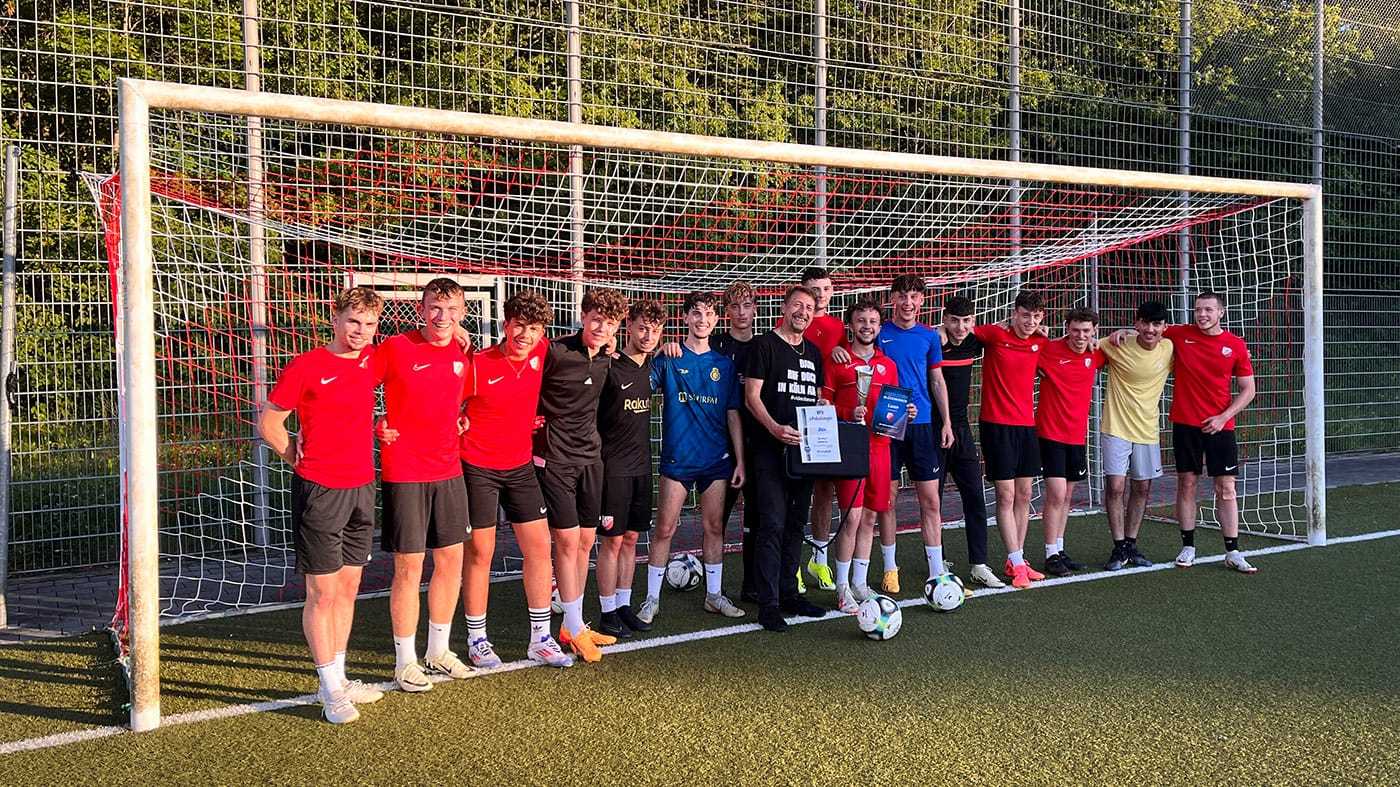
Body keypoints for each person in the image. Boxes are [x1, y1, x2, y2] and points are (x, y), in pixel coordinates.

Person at [256, 287, 386, 724]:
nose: (361, 331)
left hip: (363, 486)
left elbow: (419, 351)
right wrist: (294, 455)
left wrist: (460, 330)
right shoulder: (307, 366)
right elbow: (270, 423)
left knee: (349, 589)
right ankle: (329, 688)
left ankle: (340, 677)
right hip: (321, 490)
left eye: (369, 324)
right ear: (335, 318)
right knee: (323, 593)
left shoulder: (372, 359)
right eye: (353, 321)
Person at [458, 290, 574, 669]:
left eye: (535, 328)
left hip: (520, 464)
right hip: (477, 466)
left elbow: (582, 343)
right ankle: (477, 639)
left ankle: (540, 639)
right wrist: (457, 420)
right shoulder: (477, 365)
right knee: (481, 552)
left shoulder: (542, 352)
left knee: (540, 547)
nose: (525, 335)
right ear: (506, 325)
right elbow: (445, 400)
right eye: (519, 326)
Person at [373, 279, 474, 692]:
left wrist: (461, 417)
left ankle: (438, 650)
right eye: (435, 307)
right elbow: (359, 387)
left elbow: (459, 401)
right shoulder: (396, 347)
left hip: (449, 470)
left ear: (463, 313)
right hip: (405, 471)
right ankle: (404, 661)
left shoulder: (462, 353)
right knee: (409, 568)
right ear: (421, 307)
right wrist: (376, 423)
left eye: (451, 310)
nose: (442, 317)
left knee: (451, 561)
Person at [833, 274, 955, 594]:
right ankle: (889, 568)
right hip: (881, 432)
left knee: (930, 500)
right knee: (885, 501)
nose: (908, 303)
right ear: (893, 301)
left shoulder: (929, 337)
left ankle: (936, 570)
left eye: (914, 297)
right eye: (902, 296)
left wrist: (946, 422)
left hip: (920, 423)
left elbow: (937, 381)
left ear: (922, 301)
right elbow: (847, 349)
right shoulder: (877, 332)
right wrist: (836, 350)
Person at [638, 291, 747, 625]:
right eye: (696, 314)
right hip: (677, 459)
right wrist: (657, 350)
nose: (703, 320)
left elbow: (733, 415)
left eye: (709, 315)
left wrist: (740, 460)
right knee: (665, 529)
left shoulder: (724, 365)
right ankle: (651, 600)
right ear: (685, 318)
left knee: (715, 527)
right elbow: (639, 384)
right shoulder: (669, 358)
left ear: (717, 320)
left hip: (716, 460)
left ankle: (714, 596)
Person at [535, 287, 629, 662]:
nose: (601, 327)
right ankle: (572, 626)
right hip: (556, 459)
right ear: (583, 315)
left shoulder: (608, 358)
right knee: (567, 542)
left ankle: (574, 622)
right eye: (595, 319)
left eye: (609, 322)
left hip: (593, 458)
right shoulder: (556, 351)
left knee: (587, 541)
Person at [745, 286, 828, 632]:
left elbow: (818, 398)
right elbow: (751, 397)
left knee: (796, 524)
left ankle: (789, 591)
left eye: (809, 307)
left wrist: (823, 410)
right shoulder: (764, 346)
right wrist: (775, 428)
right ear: (784, 307)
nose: (803, 312)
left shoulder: (814, 353)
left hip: (804, 453)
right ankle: (768, 604)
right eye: (797, 305)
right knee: (772, 525)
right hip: (769, 450)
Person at [821, 299, 913, 613]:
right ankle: (842, 586)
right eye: (861, 321)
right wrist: (849, 411)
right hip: (850, 449)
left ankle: (861, 581)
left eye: (873, 321)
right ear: (850, 324)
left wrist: (906, 413)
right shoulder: (838, 361)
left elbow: (893, 409)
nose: (867, 326)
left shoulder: (888, 365)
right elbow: (823, 406)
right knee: (851, 519)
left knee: (871, 517)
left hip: (881, 449)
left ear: (879, 326)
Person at [1164, 291, 1258, 573]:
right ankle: (1188, 546)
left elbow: (1249, 390)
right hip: (1185, 423)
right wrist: (1121, 332)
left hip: (1220, 427)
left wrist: (1223, 416)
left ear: (1221, 313)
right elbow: (1148, 330)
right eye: (1197, 310)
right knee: (1187, 484)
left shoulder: (1236, 345)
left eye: (1208, 310)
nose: (1202, 315)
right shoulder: (1180, 335)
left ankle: (1233, 552)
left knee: (1226, 488)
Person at [595, 300, 667, 638]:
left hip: (642, 469)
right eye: (642, 328)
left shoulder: (652, 367)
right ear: (629, 327)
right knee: (611, 541)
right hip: (613, 469)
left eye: (655, 330)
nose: (648, 335)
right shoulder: (609, 364)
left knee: (632, 538)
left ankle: (624, 606)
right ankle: (607, 611)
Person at [973, 291, 1048, 589]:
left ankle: (1015, 558)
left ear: (1042, 317)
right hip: (995, 425)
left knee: (1025, 494)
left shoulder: (1040, 342)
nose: (1030, 322)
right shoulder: (994, 334)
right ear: (1014, 314)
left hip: (1026, 426)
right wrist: (941, 330)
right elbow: (964, 330)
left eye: (1036, 316)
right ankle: (1016, 562)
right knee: (1005, 495)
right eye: (1025, 315)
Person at [1098, 300, 1174, 572]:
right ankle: (1118, 546)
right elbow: (1080, 342)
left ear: (1165, 327)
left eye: (1156, 324)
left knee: (1142, 488)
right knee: (1116, 487)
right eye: (1145, 323)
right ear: (1137, 322)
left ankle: (1131, 543)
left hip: (1147, 429)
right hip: (1116, 427)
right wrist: (1118, 333)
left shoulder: (1169, 348)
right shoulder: (1114, 344)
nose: (1150, 329)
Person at [936, 296, 1004, 589]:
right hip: (933, 429)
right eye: (954, 320)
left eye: (966, 321)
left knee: (975, 497)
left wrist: (1043, 331)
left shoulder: (975, 341)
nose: (960, 327)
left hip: (962, 430)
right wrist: (936, 332)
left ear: (973, 321)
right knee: (932, 500)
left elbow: (1009, 329)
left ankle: (979, 564)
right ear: (944, 318)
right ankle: (936, 560)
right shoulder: (933, 341)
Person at [1033, 306, 1105, 577]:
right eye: (1075, 330)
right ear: (1067, 329)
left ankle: (1060, 549)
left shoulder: (1096, 353)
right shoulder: (1048, 349)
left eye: (1086, 331)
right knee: (1057, 494)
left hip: (1077, 435)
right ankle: (1050, 553)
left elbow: (1119, 344)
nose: (1080, 336)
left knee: (1068, 495)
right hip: (1050, 433)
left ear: (1094, 331)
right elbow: (1025, 345)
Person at [793, 266, 846, 592]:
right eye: (814, 288)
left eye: (826, 288)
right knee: (796, 493)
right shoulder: (791, 323)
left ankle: (820, 561)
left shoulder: (839, 327)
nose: (821, 294)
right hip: (794, 415)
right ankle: (793, 566)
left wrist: (843, 350)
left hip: (826, 419)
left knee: (824, 492)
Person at [712, 281, 762, 601]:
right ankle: (712, 585)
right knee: (717, 517)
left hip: (757, 443)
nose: (741, 313)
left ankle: (752, 584)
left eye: (746, 306)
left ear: (755, 309)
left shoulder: (765, 346)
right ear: (726, 311)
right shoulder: (715, 344)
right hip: (721, 443)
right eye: (734, 307)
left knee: (756, 516)